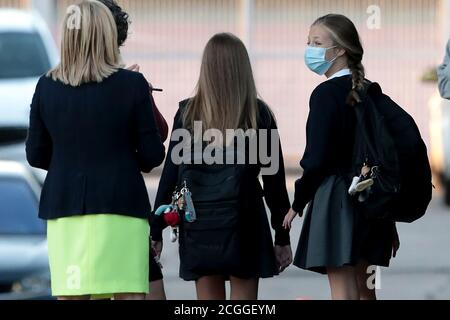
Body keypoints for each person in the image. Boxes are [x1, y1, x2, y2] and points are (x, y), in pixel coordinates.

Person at [26, 0, 165, 300]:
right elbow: (154, 155)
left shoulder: (46, 86)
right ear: (106, 34)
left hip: (66, 212)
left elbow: (35, 155)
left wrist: (71, 162)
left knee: (73, 296)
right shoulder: (133, 84)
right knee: (129, 294)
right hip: (122, 207)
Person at [151, 33, 293, 300]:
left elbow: (169, 177)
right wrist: (282, 237)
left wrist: (156, 228)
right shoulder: (258, 115)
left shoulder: (188, 115)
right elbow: (274, 182)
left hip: (199, 225)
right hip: (245, 224)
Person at [283, 14, 400, 300]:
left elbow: (317, 159)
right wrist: (390, 218)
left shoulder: (325, 95)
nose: (309, 48)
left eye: (317, 42)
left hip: (338, 200)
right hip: (373, 201)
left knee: (343, 290)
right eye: (308, 41)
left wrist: (297, 203)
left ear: (339, 51)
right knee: (367, 288)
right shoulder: (370, 90)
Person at [99, 0, 168, 301]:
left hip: (100, 207)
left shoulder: (126, 80)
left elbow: (159, 133)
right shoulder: (119, 83)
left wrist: (142, 94)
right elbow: (154, 148)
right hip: (118, 206)